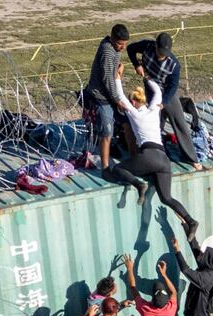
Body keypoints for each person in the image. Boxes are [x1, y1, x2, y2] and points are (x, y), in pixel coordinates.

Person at [110, 72, 202, 240]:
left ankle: (139, 185)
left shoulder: (134, 112)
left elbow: (120, 95)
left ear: (133, 102)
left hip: (148, 155)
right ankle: (191, 220)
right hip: (164, 159)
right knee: (166, 197)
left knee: (117, 168)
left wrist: (117, 78)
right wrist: (147, 79)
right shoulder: (154, 110)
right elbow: (158, 93)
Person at [126, 32, 204, 170]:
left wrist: (165, 101)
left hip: (167, 92)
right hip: (151, 88)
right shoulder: (147, 46)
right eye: (160, 52)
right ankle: (155, 154)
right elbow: (130, 48)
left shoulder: (174, 65)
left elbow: (173, 86)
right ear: (155, 45)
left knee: (179, 121)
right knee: (155, 123)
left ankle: (191, 157)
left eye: (165, 53)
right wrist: (137, 65)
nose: (161, 55)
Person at [83, 24, 131, 176]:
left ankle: (134, 156)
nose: (122, 48)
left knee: (126, 123)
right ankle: (105, 168)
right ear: (112, 38)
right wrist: (117, 100)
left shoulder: (114, 49)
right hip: (101, 97)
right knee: (107, 133)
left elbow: (112, 72)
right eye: (120, 44)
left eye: (124, 45)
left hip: (111, 95)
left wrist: (119, 68)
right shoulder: (107, 51)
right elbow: (107, 80)